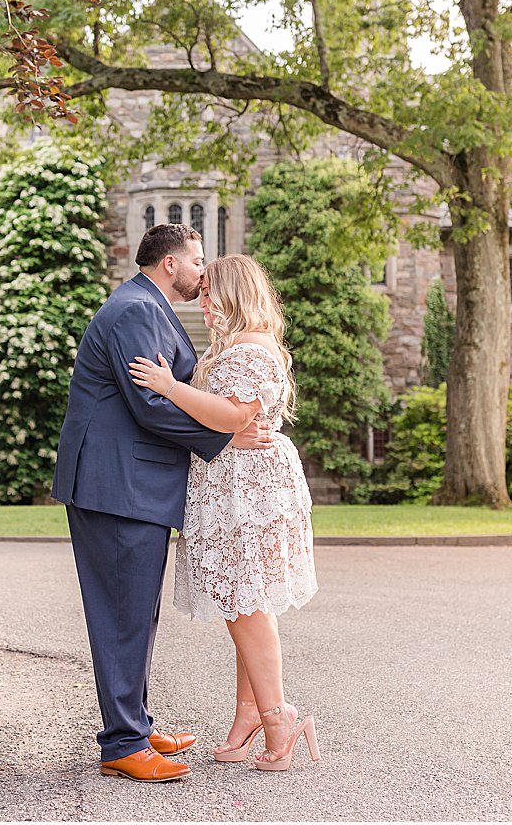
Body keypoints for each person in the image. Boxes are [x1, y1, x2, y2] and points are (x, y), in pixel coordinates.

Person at [51, 224, 275, 783]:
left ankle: (135, 724)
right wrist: (224, 439)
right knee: (122, 614)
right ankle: (123, 743)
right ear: (170, 263)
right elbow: (150, 404)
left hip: (130, 483)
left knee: (134, 611)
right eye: (198, 261)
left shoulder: (146, 306)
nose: (205, 272)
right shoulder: (135, 310)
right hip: (116, 485)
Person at [128, 253, 320, 773]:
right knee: (246, 601)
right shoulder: (236, 347)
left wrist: (169, 388)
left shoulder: (248, 350)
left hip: (244, 484)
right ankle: (248, 714)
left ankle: (279, 716)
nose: (204, 303)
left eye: (211, 293)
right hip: (234, 479)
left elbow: (235, 415)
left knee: (246, 603)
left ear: (234, 294)